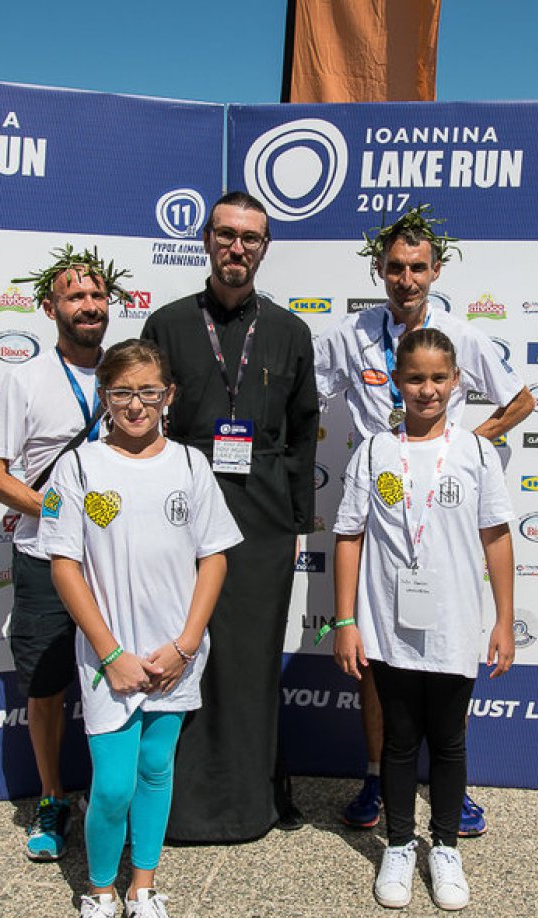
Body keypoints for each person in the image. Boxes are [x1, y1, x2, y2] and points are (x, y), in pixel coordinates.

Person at [314, 205, 533, 836]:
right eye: (395, 268)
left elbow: (522, 400)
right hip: (380, 502)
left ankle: (447, 787)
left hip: (442, 507)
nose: (406, 279)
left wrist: (463, 446)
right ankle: (376, 776)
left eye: (417, 268)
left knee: (448, 654)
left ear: (435, 271)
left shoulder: (460, 335)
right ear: (379, 270)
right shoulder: (350, 333)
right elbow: (307, 393)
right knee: (377, 657)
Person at [39, 339, 242, 918]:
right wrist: (111, 654)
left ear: (168, 395)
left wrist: (185, 646)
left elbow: (214, 557)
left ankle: (143, 890)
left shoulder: (190, 465)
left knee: (156, 769)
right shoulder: (78, 468)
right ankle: (100, 894)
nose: (135, 405)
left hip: (174, 655)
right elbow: (64, 566)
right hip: (112, 661)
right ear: (104, 396)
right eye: (122, 392)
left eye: (148, 391)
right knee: (112, 786)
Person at [140, 191, 320, 842]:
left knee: (251, 655)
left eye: (250, 238)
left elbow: (303, 432)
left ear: (265, 248)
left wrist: (296, 522)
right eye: (225, 234)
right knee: (185, 647)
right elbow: (141, 421)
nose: (236, 248)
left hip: (263, 514)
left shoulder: (291, 332)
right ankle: (177, 802)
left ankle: (257, 796)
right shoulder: (166, 324)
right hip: (183, 506)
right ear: (207, 240)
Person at [330, 327, 516, 911]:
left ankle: (445, 847)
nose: (427, 389)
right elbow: (348, 537)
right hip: (389, 626)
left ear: (456, 382)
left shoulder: (475, 452)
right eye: (415, 378)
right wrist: (344, 621)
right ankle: (399, 845)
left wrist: (504, 620)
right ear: (396, 382)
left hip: (454, 624)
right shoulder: (373, 451)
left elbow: (497, 537)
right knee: (400, 739)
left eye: (438, 378)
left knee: (450, 740)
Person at [0, 245, 130, 861]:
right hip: (45, 557)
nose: (89, 306)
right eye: (76, 296)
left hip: (114, 561)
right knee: (45, 688)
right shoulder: (26, 379)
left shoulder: (127, 373)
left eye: (97, 296)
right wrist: (54, 508)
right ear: (51, 307)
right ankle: (51, 797)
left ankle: (111, 796)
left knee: (119, 679)